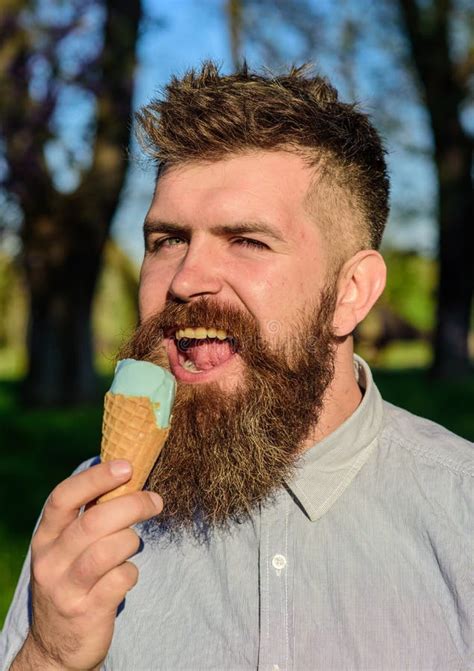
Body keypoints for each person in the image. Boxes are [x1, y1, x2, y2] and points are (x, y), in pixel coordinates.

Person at [2, 62, 472, 671]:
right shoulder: (87, 517)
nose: (186, 279)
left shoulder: (461, 513)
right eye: (166, 240)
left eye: (247, 240)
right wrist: (50, 656)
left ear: (352, 291)